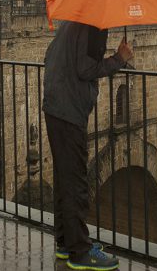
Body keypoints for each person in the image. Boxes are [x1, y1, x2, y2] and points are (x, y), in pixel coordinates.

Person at [43, 21, 133, 271]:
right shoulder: (94, 27)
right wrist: (119, 58)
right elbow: (85, 69)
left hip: (55, 107)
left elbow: (48, 55)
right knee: (76, 183)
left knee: (64, 179)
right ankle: (80, 252)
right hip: (69, 111)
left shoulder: (71, 23)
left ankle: (66, 242)